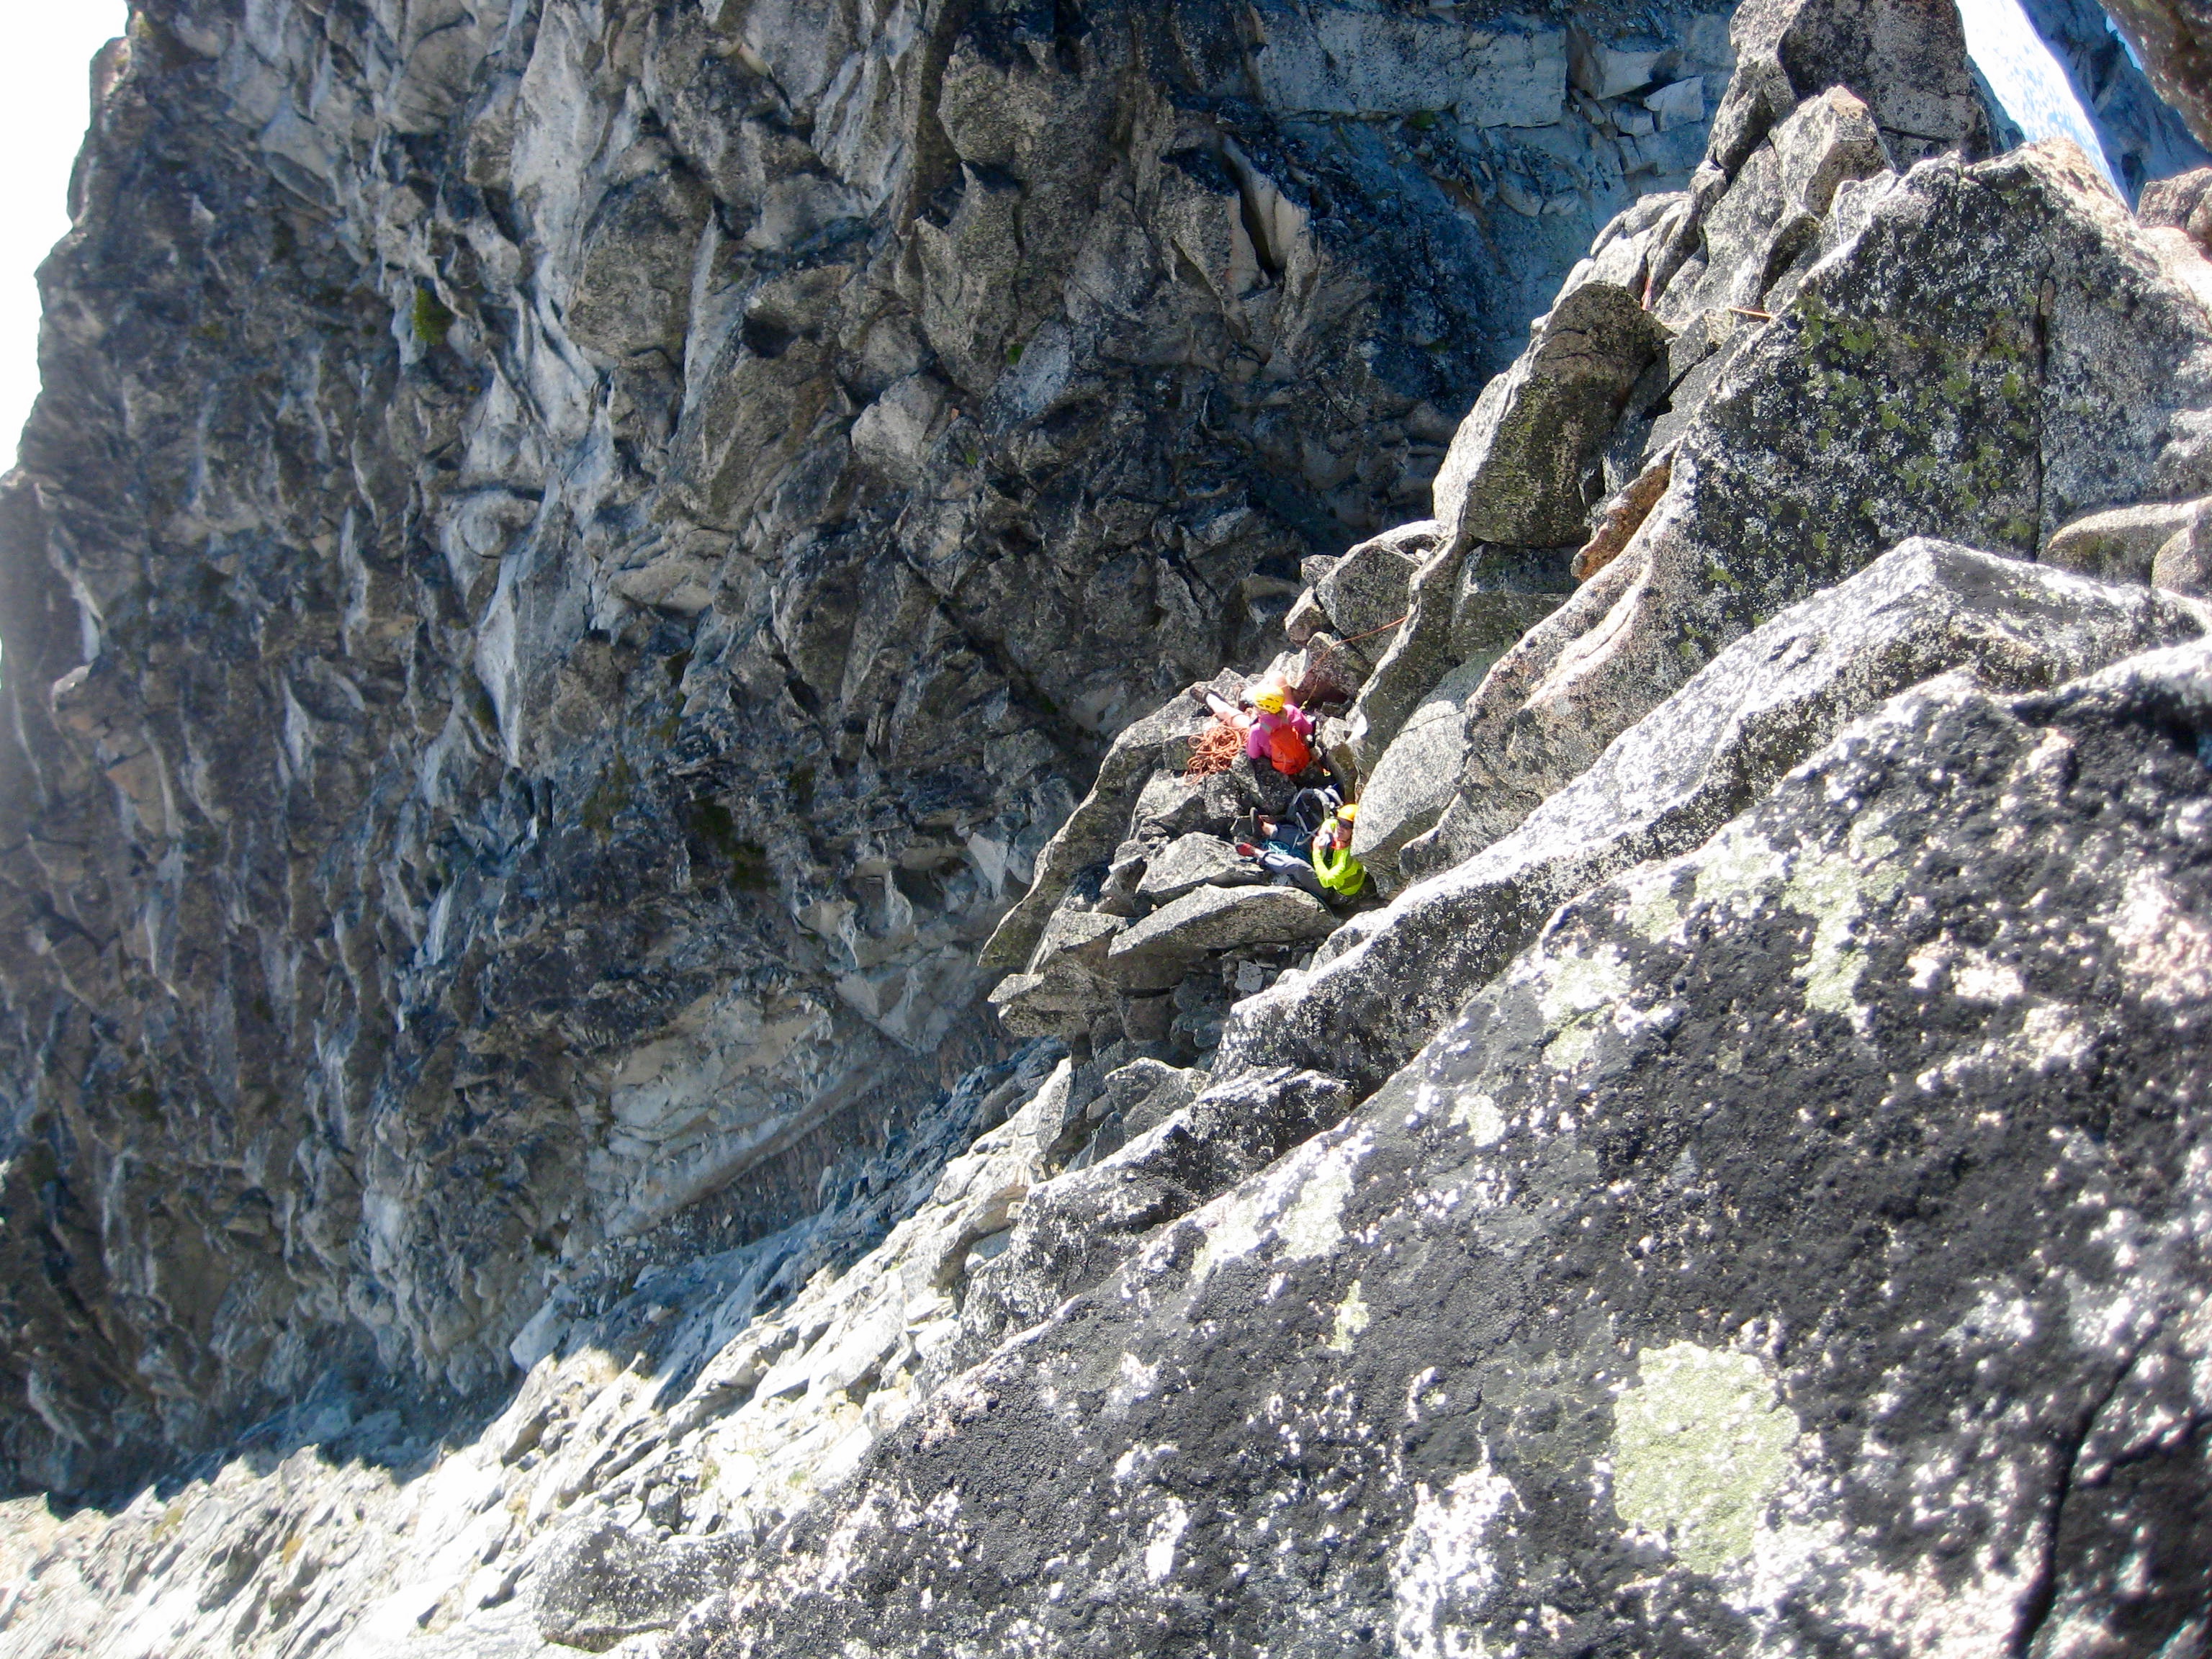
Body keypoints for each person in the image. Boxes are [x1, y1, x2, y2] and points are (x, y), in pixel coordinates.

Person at [1190, 677, 1315, 776]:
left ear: (1259, 708)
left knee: (1227, 712)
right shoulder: (1292, 711)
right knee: (1277, 676)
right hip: (1299, 754)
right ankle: (1242, 695)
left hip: (1279, 759)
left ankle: (1208, 697)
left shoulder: (1257, 730)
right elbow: (1308, 729)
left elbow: (1253, 754)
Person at [1310, 801, 1365, 896]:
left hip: (1345, 890)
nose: (1340, 828)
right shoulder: (1348, 839)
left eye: (1347, 826)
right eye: (1340, 822)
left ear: (1355, 830)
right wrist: (1326, 827)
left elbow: (1326, 882)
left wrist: (1316, 853)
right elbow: (1332, 822)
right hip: (1350, 876)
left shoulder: (1345, 860)